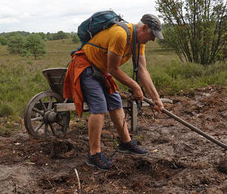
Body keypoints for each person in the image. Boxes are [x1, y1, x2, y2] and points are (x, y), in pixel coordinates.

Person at [63, 14, 165, 170]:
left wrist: (156, 99)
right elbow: (113, 69)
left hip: (102, 69)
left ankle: (126, 143)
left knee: (116, 103)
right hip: (86, 66)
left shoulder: (139, 42)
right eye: (152, 35)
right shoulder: (120, 35)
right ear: (144, 28)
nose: (153, 39)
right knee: (99, 107)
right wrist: (135, 87)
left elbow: (142, 70)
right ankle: (94, 154)